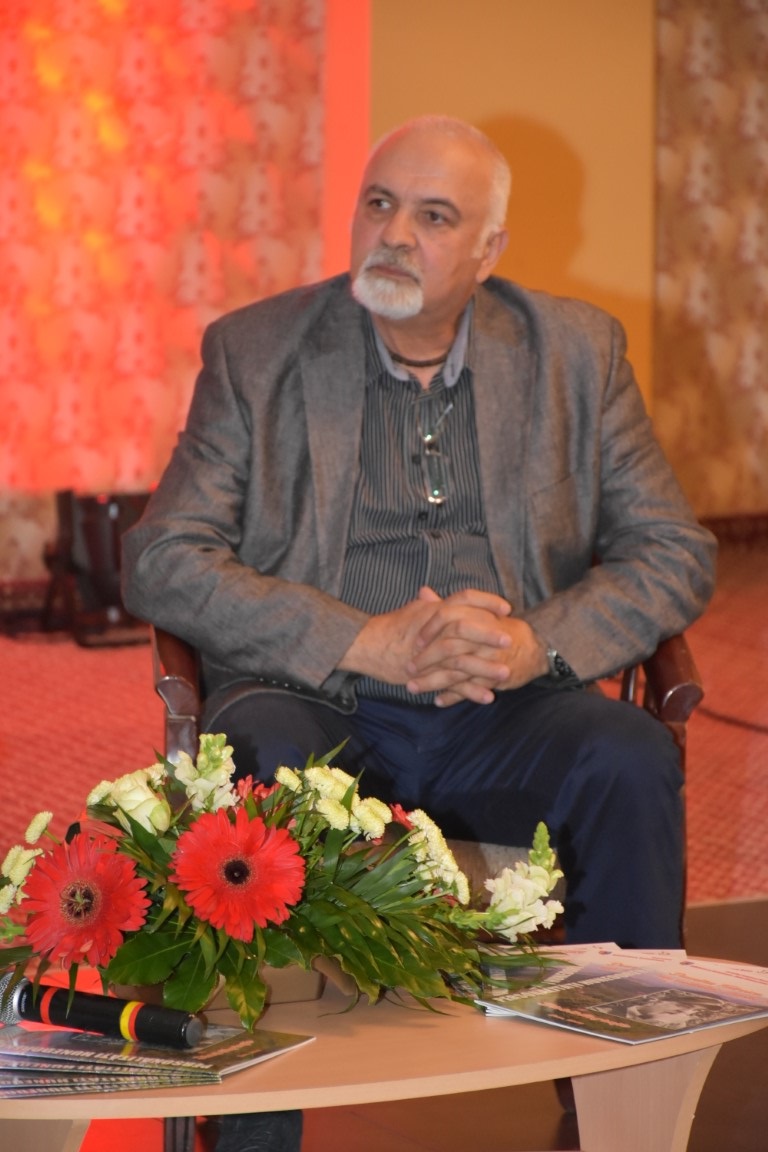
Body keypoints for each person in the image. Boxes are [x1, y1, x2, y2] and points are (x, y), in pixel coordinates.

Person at [123, 114, 715, 953]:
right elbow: (163, 558)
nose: (395, 234)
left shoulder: (576, 355)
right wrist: (362, 640)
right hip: (312, 702)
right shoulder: (256, 353)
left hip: (509, 709)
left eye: (434, 217)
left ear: (489, 250)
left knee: (628, 756)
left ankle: (622, 1031)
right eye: (379, 204)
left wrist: (533, 645)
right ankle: (273, 1041)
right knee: (258, 757)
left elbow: (673, 550)